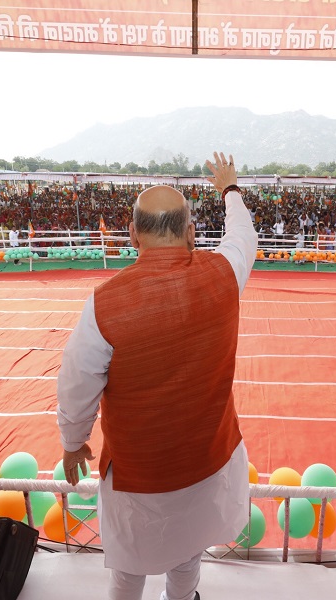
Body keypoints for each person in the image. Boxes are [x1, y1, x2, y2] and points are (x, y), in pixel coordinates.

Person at [56, 152, 257, 600]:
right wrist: (229, 189)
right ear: (190, 232)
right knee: (188, 554)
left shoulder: (104, 304)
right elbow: (243, 236)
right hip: (207, 461)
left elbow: (76, 387)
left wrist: (73, 444)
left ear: (132, 235)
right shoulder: (225, 274)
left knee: (129, 565)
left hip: (139, 476)